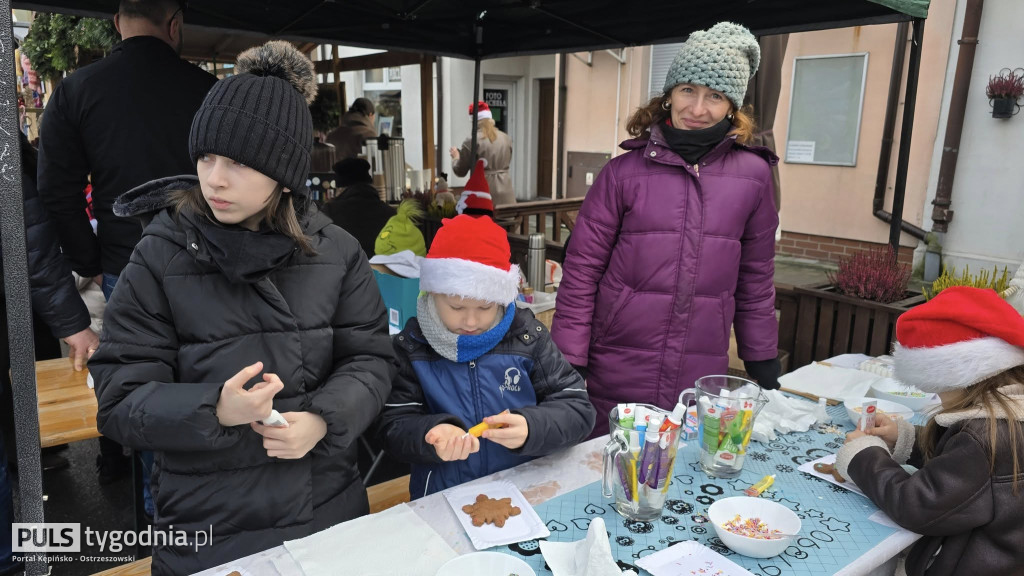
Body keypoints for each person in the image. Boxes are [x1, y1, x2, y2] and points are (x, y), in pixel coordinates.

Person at [87, 41, 395, 574]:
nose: (214, 178)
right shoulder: (159, 255)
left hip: (325, 510)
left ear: (283, 170)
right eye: (206, 156)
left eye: (238, 162)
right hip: (207, 525)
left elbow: (370, 360)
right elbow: (119, 399)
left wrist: (323, 420)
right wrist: (217, 409)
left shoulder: (337, 251)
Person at [551, 22, 780, 436]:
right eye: (688, 90)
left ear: (732, 107)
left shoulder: (755, 176)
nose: (697, 108)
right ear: (670, 93)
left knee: (678, 474)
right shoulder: (622, 173)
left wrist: (760, 353)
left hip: (700, 363)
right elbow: (582, 269)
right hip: (618, 358)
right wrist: (570, 354)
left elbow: (756, 275)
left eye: (714, 96)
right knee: (609, 468)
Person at [36, 0, 217, 483]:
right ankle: (206, 502)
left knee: (142, 394)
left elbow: (57, 191)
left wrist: (90, 261)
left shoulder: (76, 91)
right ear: (174, 25)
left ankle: (158, 513)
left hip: (125, 263)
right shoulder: (208, 90)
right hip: (210, 263)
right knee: (211, 385)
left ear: (116, 23)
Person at [377, 215, 595, 498]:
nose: (470, 321)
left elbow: (578, 410)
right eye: (455, 307)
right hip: (444, 495)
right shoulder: (413, 346)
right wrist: (430, 434)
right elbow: (391, 425)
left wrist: (531, 427)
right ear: (431, 293)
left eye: (484, 307)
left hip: (526, 491)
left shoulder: (527, 336)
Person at [835, 286, 1024, 576]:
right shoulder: (1009, 414)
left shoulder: (985, 436)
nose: (935, 397)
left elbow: (917, 506)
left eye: (937, 389)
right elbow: (969, 479)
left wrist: (864, 455)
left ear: (961, 378)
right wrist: (906, 439)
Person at [321, 158, 395, 257]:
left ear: (340, 188)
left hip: (344, 270)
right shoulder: (390, 213)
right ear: (369, 183)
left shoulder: (329, 211)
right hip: (380, 270)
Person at [450, 101, 515, 207]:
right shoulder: (506, 138)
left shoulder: (472, 140)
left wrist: (456, 157)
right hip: (507, 194)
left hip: (483, 193)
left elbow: (460, 171)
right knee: (506, 222)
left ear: (473, 121)